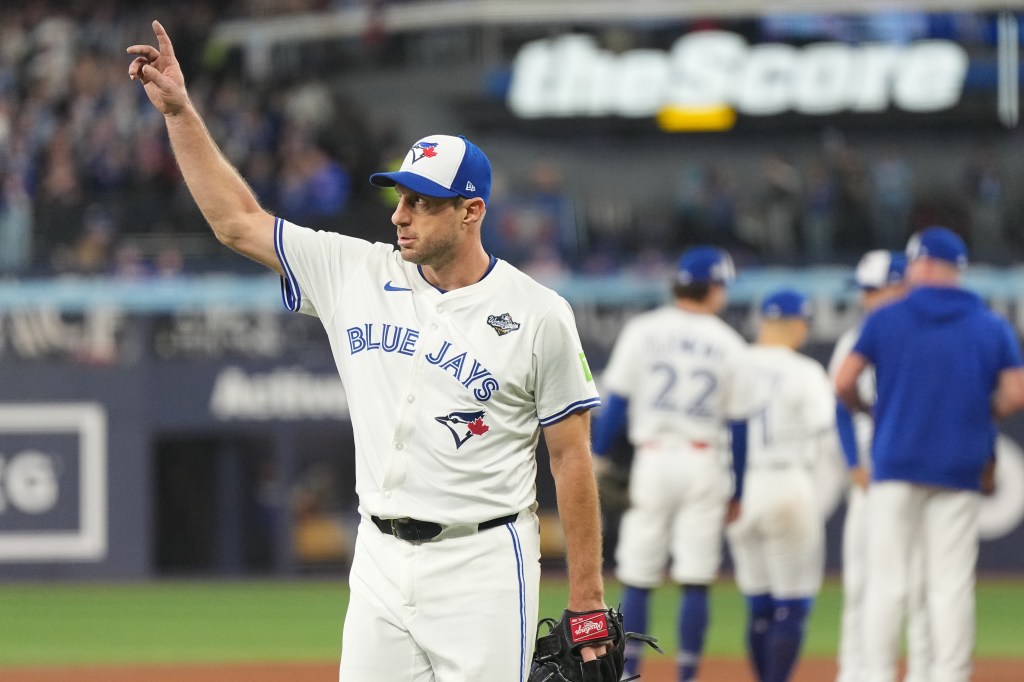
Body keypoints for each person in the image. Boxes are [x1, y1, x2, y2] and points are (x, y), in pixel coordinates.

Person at [128, 21, 609, 682]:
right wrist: (181, 114)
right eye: (399, 197)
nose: (399, 214)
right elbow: (236, 220)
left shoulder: (538, 314)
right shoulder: (355, 271)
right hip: (379, 559)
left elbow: (571, 458)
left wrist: (586, 603)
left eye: (421, 202)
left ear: (471, 211)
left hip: (485, 564)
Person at [834, 227, 1024, 682]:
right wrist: (985, 411)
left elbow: (843, 381)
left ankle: (877, 675)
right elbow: (1016, 394)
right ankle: (949, 676)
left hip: (895, 465)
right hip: (959, 468)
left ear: (919, 264)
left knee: (887, 583)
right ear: (958, 269)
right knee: (950, 586)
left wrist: (868, 408)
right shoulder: (990, 323)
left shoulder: (887, 318)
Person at [591, 246, 753, 681]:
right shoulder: (730, 343)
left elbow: (617, 403)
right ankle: (686, 674)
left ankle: (630, 672)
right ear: (715, 287)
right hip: (705, 462)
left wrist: (601, 458)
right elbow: (739, 428)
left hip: (654, 459)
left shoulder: (644, 330)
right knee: (696, 577)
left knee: (639, 574)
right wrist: (739, 489)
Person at [827, 250, 932, 682]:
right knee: (861, 583)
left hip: (917, 475)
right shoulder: (854, 339)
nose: (866, 299)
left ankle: (928, 672)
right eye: (864, 291)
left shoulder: (925, 335)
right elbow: (840, 405)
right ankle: (856, 673)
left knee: (924, 585)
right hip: (872, 477)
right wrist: (854, 464)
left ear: (900, 285)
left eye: (873, 289)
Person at [725, 289, 834, 682]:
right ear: (798, 324)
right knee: (793, 605)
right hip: (788, 480)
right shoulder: (806, 371)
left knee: (759, 604)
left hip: (739, 488)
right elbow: (828, 437)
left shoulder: (734, 364)